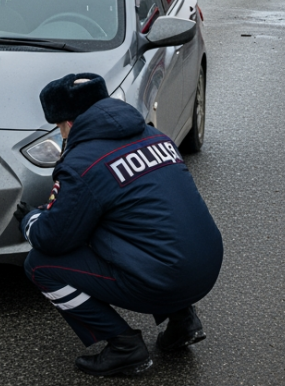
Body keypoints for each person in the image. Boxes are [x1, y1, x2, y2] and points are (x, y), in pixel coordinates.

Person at [18, 73, 224, 377]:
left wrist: (30, 220)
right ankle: (183, 320)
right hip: (207, 266)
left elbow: (53, 238)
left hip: (165, 279)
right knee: (141, 226)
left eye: (59, 127)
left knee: (39, 264)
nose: (61, 135)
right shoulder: (156, 136)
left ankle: (124, 347)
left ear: (70, 123)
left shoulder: (83, 163)